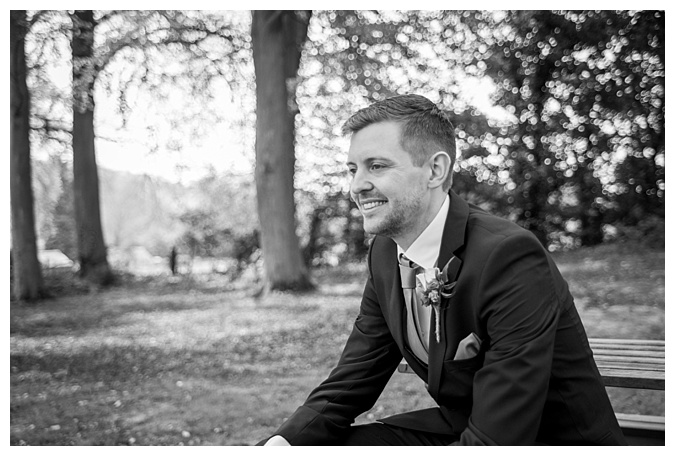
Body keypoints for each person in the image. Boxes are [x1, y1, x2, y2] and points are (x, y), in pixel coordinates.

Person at [260, 94, 626, 445]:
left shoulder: (509, 256)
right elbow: (354, 378)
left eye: (377, 166)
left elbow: (499, 436)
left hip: (545, 440)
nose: (357, 186)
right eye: (353, 169)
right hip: (458, 428)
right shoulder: (385, 254)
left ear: (435, 169)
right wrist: (281, 443)